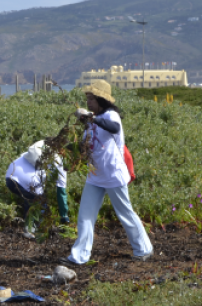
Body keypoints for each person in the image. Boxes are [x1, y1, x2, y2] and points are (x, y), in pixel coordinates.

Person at [61, 80, 153, 265]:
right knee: (85, 216)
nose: (88, 102)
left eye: (91, 99)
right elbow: (87, 145)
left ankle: (144, 249)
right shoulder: (92, 121)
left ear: (101, 99)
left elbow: (114, 128)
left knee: (125, 213)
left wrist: (90, 118)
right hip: (95, 176)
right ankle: (79, 256)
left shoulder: (111, 116)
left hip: (113, 175)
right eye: (87, 99)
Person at [5, 140, 69, 239]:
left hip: (10, 174)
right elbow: (61, 193)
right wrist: (64, 216)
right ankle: (32, 231)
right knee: (40, 205)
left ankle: (29, 227)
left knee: (30, 200)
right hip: (27, 180)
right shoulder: (60, 165)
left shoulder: (44, 148)